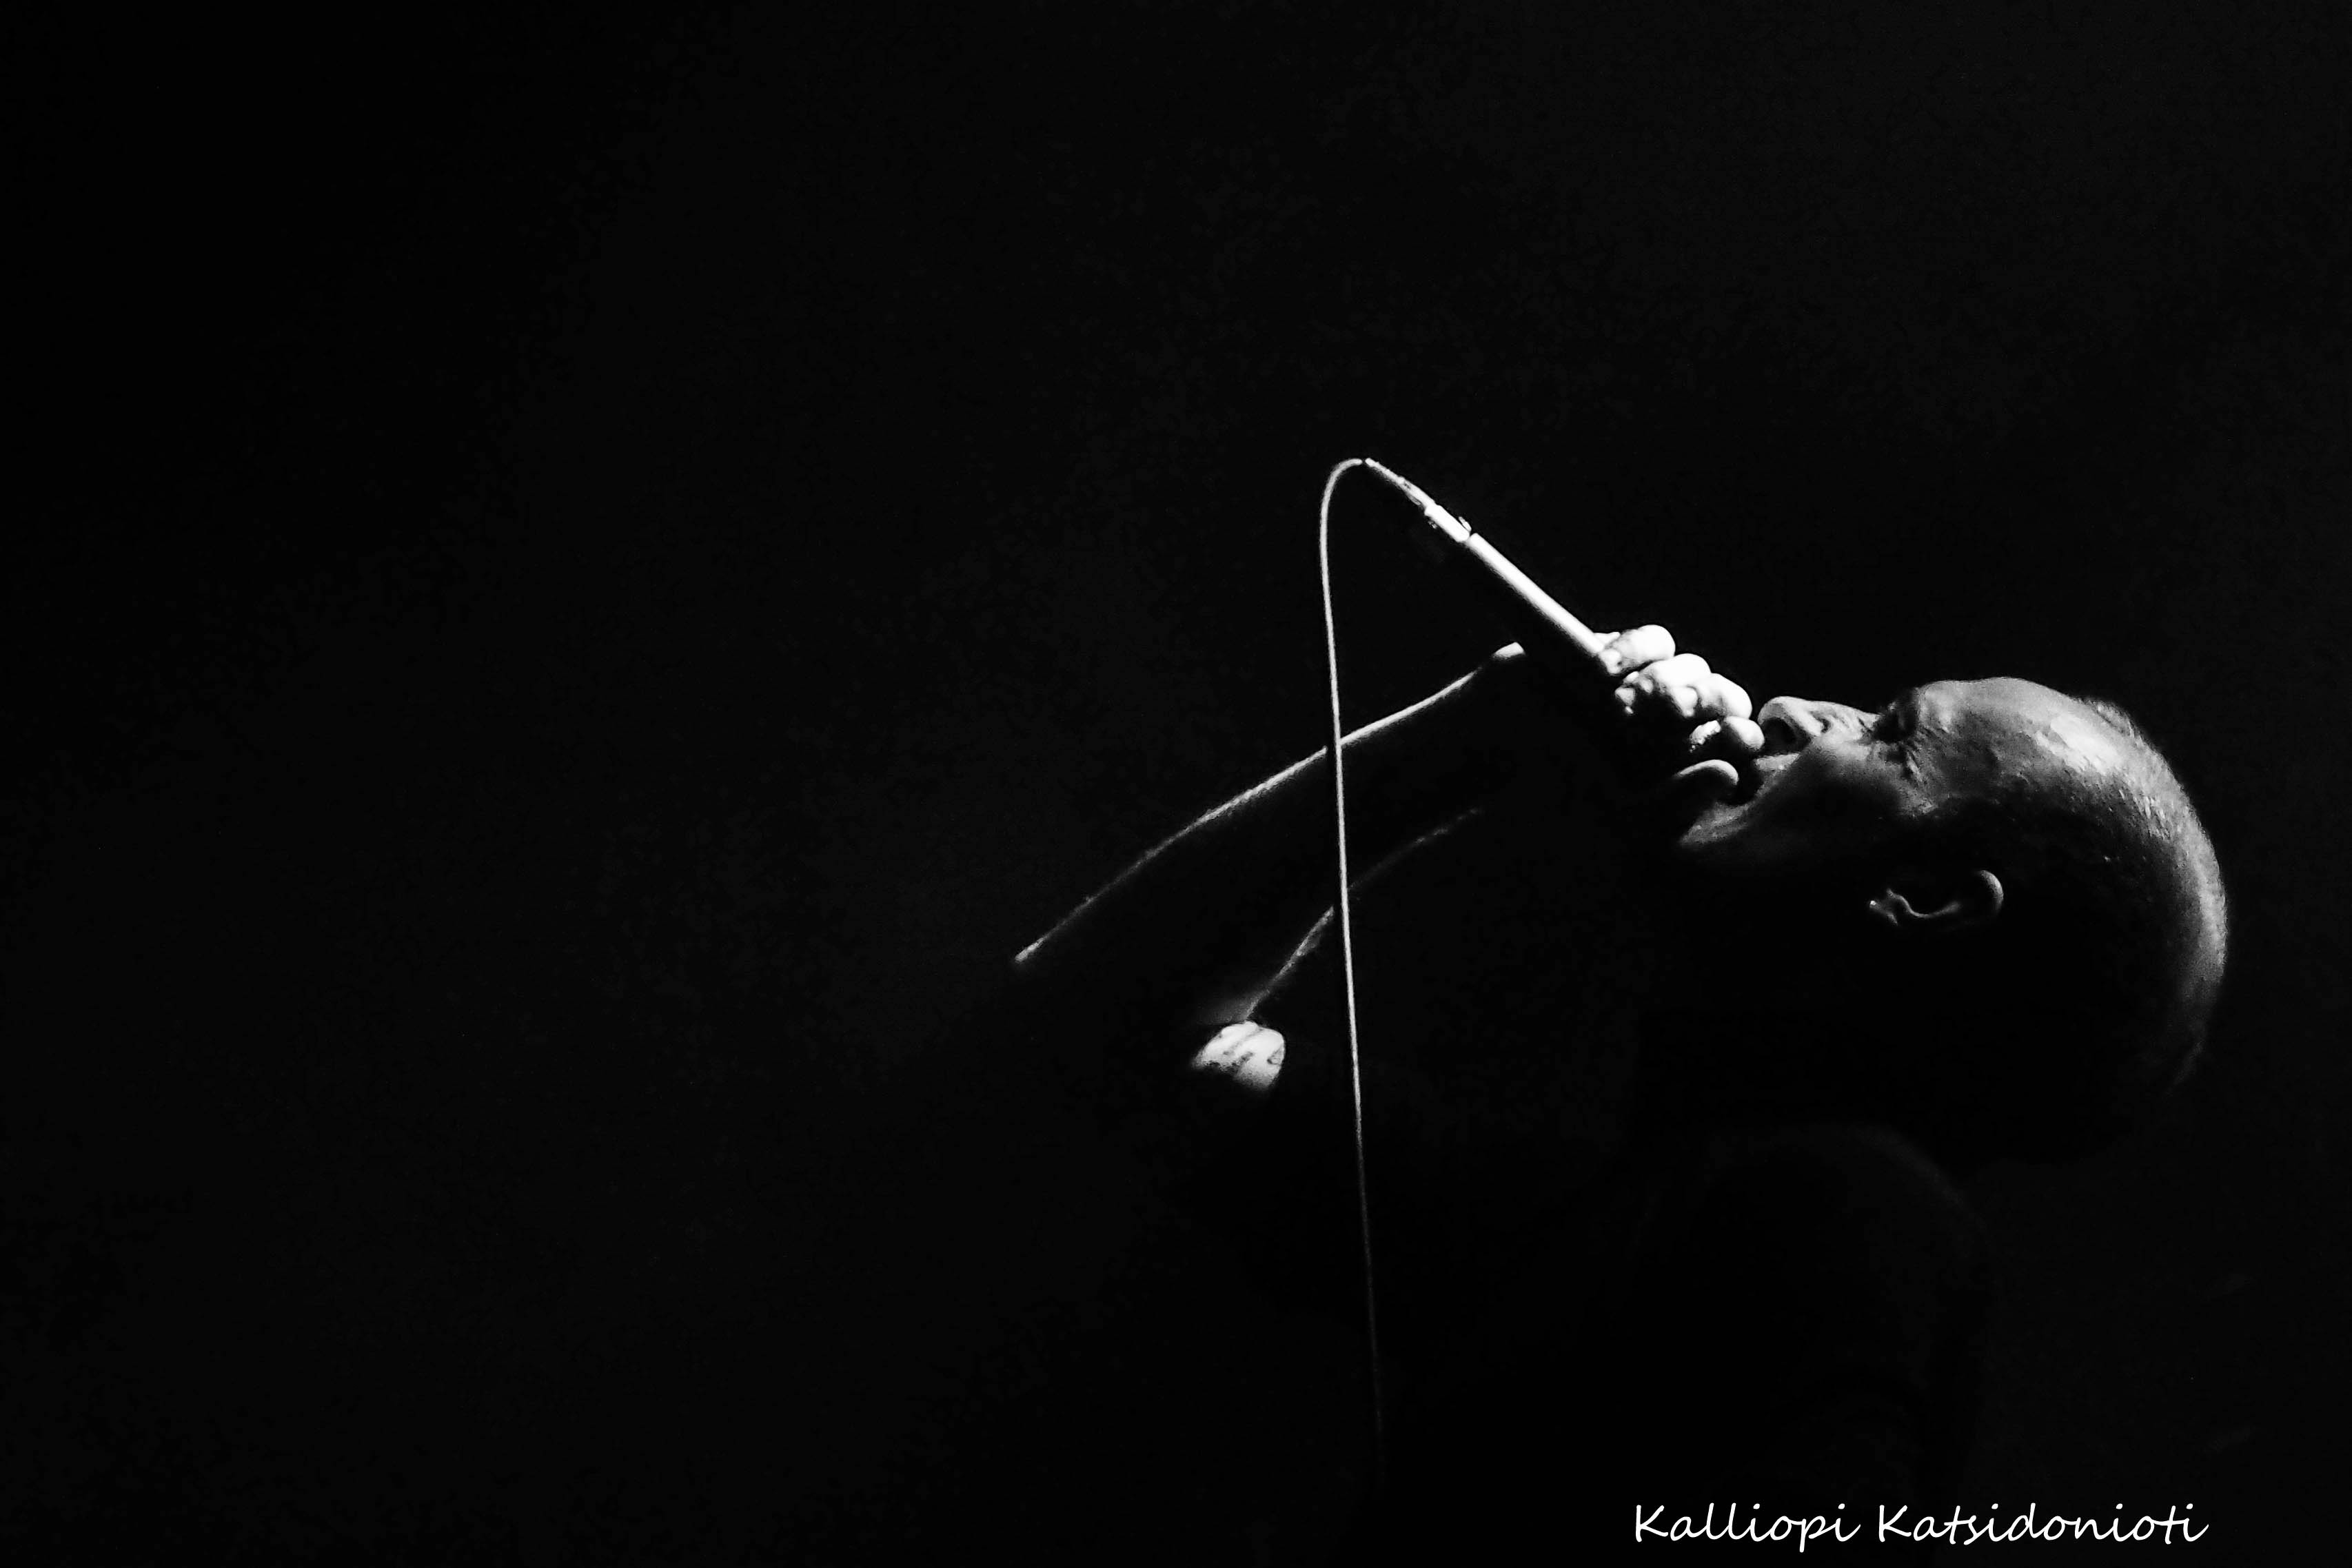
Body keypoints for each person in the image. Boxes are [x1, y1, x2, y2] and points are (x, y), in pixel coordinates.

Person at [1008, 628, 2228, 1560]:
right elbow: (1118, 1043)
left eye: (1887, 731)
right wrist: (1467, 741)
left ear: (1929, 899)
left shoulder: (1858, 1214)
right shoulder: (1572, 1224)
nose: (1793, 710)